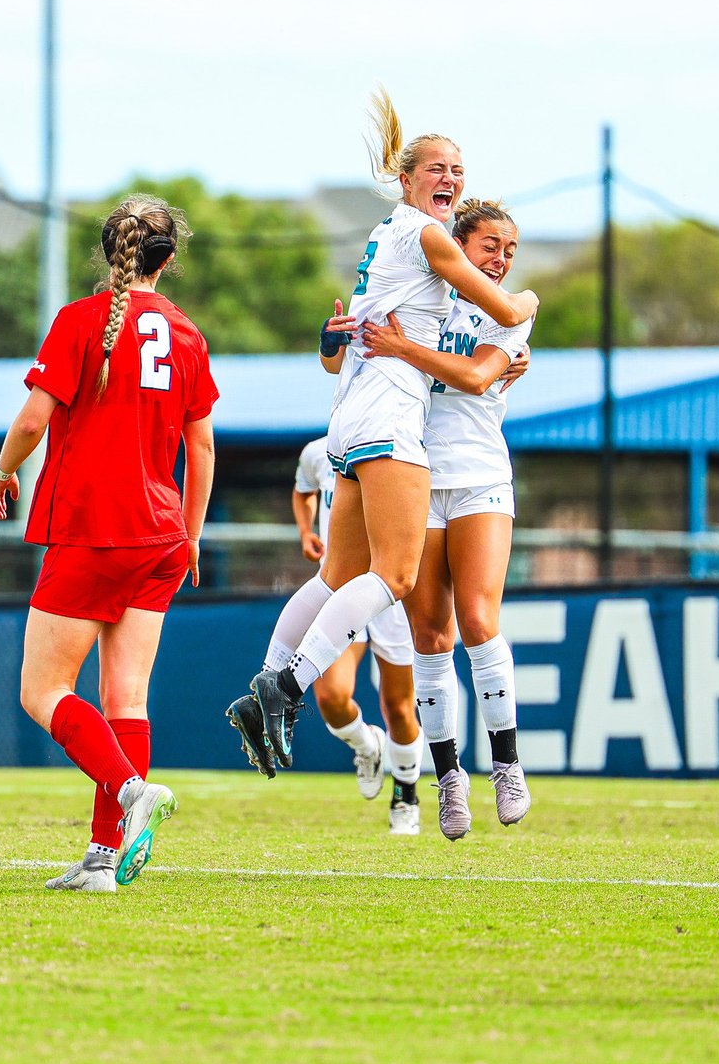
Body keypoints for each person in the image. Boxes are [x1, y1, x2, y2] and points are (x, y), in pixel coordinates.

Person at [226, 87, 538, 779]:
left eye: (458, 170)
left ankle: (267, 681)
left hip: (349, 416)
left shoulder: (384, 234)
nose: (450, 179)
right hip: (390, 418)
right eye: (436, 169)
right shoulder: (427, 236)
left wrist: (334, 343)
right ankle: (286, 690)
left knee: (336, 575)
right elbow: (506, 304)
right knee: (394, 577)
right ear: (406, 179)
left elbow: (341, 345)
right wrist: (527, 306)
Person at [0, 196, 217, 892]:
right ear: (167, 260)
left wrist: (0, 475)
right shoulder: (186, 334)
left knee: (42, 690)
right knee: (127, 698)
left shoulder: (81, 321)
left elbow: (31, 421)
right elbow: (201, 446)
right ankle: (102, 860)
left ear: (106, 252)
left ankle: (128, 788)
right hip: (161, 534)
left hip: (94, 529)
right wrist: (192, 534)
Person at [361, 199, 533, 841]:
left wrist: (404, 348)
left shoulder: (511, 310)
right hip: (418, 476)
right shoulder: (418, 294)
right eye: (490, 245)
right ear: (456, 248)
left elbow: (472, 375)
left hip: (482, 476)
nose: (502, 258)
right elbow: (345, 352)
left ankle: (508, 765)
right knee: (430, 638)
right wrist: (344, 342)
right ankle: (450, 778)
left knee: (480, 621)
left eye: (510, 248)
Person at [292, 435, 422, 835]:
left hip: (390, 591)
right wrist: (305, 530)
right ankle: (367, 747)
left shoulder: (405, 448)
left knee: (399, 707)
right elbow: (303, 490)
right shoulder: (319, 452)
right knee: (330, 698)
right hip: (341, 590)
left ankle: (406, 791)